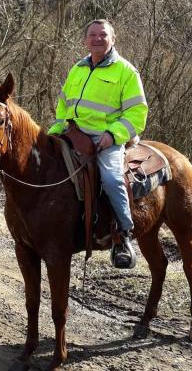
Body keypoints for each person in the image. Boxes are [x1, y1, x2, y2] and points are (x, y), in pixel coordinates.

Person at [48, 19, 148, 269]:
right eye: (92, 34)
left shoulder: (126, 71)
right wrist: (57, 128)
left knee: (113, 179)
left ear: (112, 39)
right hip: (73, 133)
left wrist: (113, 135)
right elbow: (63, 103)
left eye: (103, 35)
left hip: (105, 139)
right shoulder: (77, 69)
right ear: (85, 40)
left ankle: (123, 235)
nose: (97, 38)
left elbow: (137, 112)